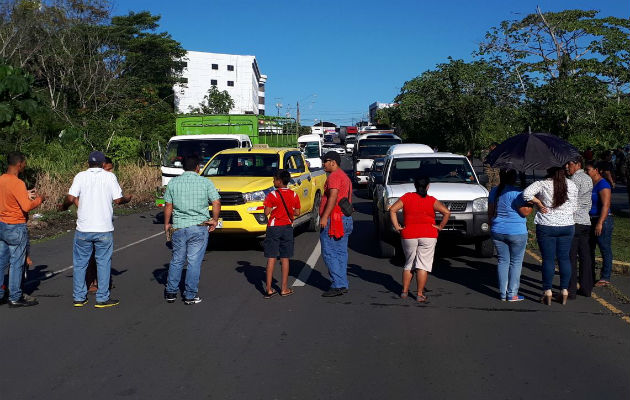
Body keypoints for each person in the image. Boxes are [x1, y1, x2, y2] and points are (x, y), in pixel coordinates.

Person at [60, 151, 131, 308]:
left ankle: (79, 297)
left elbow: (70, 198)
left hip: (83, 228)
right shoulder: (109, 177)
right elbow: (118, 200)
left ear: (88, 163)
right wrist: (128, 198)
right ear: (102, 163)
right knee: (103, 263)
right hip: (103, 228)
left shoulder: (80, 176)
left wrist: (63, 207)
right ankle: (102, 298)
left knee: (80, 263)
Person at [163, 154, 220, 305]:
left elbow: (168, 205)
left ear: (183, 167)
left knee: (177, 260)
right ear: (198, 168)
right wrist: (214, 220)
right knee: (194, 261)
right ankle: (189, 295)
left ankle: (171, 292)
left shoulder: (173, 183)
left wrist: (167, 223)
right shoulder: (206, 182)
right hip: (199, 227)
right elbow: (216, 202)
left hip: (179, 227)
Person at [389, 176, 450, 302]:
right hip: (428, 234)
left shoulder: (407, 197)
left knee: (409, 263)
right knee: (422, 265)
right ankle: (420, 294)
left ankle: (404, 291)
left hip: (409, 234)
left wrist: (397, 226)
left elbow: (393, 210)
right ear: (428, 186)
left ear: (415, 186)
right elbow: (446, 212)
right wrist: (440, 226)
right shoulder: (431, 200)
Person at [523, 167, 577, 305]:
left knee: (548, 259)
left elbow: (526, 194)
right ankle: (564, 290)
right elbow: (575, 207)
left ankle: (547, 290)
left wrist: (540, 204)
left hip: (546, 225)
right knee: (564, 258)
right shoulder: (571, 185)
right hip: (567, 225)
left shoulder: (542, 183)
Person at [0, 152, 44, 307]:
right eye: (24, 163)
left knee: (1, 260)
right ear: (19, 164)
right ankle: (15, 296)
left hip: (2, 224)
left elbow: (9, 197)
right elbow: (26, 206)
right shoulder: (18, 182)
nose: (25, 165)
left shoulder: (2, 179)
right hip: (16, 226)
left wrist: (25, 194)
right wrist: (39, 200)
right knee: (17, 262)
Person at [487, 169, 532, 302]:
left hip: (498, 230)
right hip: (516, 231)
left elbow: (490, 212)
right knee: (516, 262)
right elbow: (525, 212)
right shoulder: (516, 193)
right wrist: (532, 204)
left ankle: (502, 293)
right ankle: (512, 293)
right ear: (513, 178)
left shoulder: (495, 191)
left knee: (503, 261)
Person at [319, 151, 353, 297]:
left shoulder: (334, 177)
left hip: (334, 220)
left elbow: (332, 197)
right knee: (340, 252)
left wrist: (324, 217)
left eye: (325, 161)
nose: (323, 164)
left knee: (329, 252)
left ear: (333, 162)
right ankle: (342, 283)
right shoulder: (344, 177)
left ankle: (338, 284)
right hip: (344, 218)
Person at [262, 169, 300, 298]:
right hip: (287, 227)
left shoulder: (272, 195)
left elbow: (266, 212)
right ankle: (284, 289)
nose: (273, 181)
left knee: (271, 257)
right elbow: (297, 212)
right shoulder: (294, 195)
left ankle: (268, 289)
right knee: (285, 258)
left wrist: (271, 207)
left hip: (274, 227)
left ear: (279, 181)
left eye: (274, 179)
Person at [85, 156, 114, 293]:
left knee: (102, 256)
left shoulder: (107, 180)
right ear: (102, 166)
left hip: (104, 223)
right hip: (90, 224)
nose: (110, 172)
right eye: (108, 169)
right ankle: (93, 283)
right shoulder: (88, 179)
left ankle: (103, 282)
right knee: (93, 256)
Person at [566, 157, 593, 298]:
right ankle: (586, 287)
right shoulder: (588, 178)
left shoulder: (574, 180)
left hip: (575, 220)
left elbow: (570, 200)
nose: (567, 166)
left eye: (569, 164)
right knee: (585, 256)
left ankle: (571, 290)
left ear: (577, 164)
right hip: (585, 220)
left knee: (571, 256)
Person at [585, 161, 614, 287]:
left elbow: (606, 205)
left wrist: (600, 223)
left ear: (596, 170)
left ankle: (605, 276)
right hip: (590, 219)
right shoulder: (591, 183)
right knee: (589, 248)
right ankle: (590, 274)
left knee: (604, 247)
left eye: (589, 170)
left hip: (603, 220)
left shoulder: (603, 184)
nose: (586, 172)